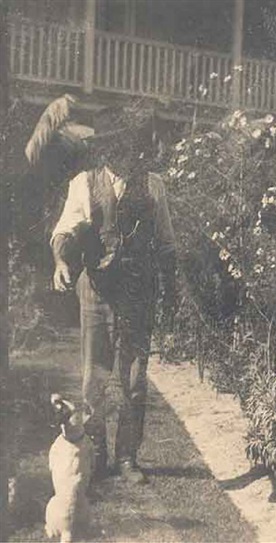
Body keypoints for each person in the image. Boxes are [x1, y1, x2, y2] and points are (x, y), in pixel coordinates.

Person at [50, 107, 176, 483]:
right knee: (94, 378)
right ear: (106, 149)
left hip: (138, 292)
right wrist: (60, 262)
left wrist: (170, 292)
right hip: (97, 292)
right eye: (118, 146)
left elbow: (167, 244)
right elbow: (63, 231)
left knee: (135, 381)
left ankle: (127, 458)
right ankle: (97, 451)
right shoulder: (83, 183)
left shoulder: (154, 185)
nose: (126, 153)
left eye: (132, 145)